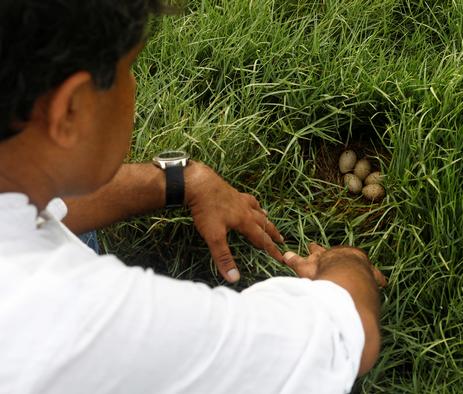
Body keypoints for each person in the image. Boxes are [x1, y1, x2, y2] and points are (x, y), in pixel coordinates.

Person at [0, 1, 386, 393]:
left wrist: (182, 180)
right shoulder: (76, 314)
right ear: (71, 109)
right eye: (129, 69)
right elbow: (344, 337)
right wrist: (346, 264)